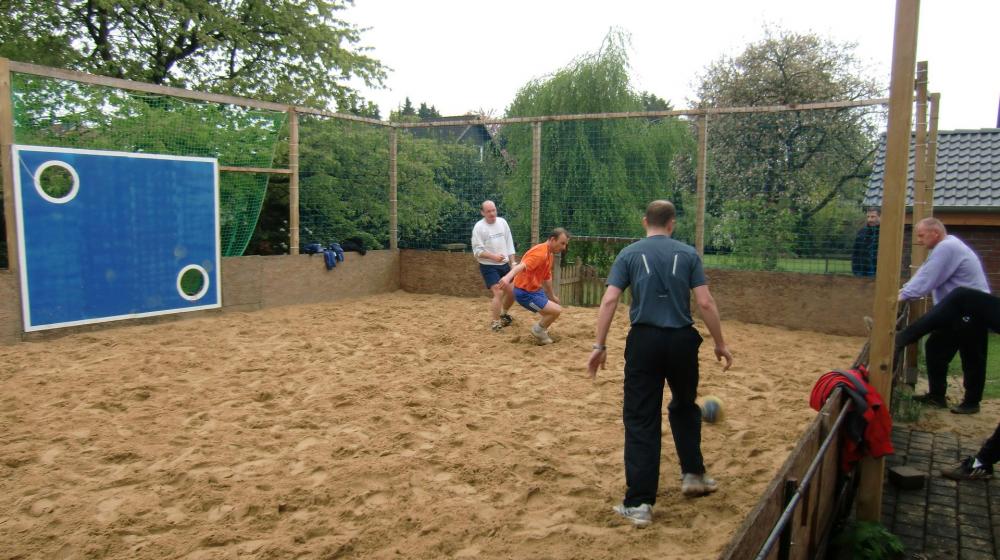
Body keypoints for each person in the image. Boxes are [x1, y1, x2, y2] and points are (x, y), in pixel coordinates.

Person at [586, 200, 733, 528]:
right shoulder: (689, 254)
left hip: (645, 341)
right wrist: (720, 344)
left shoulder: (629, 254)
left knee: (641, 417)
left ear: (645, 222)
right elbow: (705, 302)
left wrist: (599, 345)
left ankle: (639, 503)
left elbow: (610, 299)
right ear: (672, 223)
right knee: (684, 405)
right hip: (682, 340)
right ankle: (693, 475)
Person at [898, 218, 990, 414]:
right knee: (935, 348)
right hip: (955, 312)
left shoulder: (947, 247)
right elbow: (925, 271)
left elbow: (929, 276)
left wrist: (903, 296)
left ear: (935, 233)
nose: (919, 240)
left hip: (972, 311)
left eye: (921, 235)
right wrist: (904, 291)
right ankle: (937, 396)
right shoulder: (946, 247)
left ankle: (972, 402)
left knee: (972, 355)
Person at [498, 228, 569, 345]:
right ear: (552, 239)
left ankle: (540, 329)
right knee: (556, 311)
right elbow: (520, 266)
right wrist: (507, 277)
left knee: (551, 312)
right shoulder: (540, 253)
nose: (564, 247)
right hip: (525, 294)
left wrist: (552, 296)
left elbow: (547, 278)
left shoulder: (549, 255)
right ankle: (538, 331)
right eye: (562, 243)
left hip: (536, 291)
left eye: (565, 244)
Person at [471, 200, 517, 332]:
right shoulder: (479, 228)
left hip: (504, 265)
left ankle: (504, 314)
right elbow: (477, 252)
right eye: (488, 211)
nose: (492, 213)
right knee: (498, 292)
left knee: (513, 292)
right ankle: (495, 323)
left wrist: (513, 263)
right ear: (482, 213)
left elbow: (509, 244)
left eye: (493, 210)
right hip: (489, 266)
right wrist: (494, 256)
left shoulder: (502, 222)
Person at [851, 208, 881, 277]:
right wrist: (856, 271)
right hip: (862, 272)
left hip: (880, 272)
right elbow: (855, 253)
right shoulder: (862, 232)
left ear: (880, 217)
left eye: (873, 217)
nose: (869, 220)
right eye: (868, 217)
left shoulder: (886, 232)